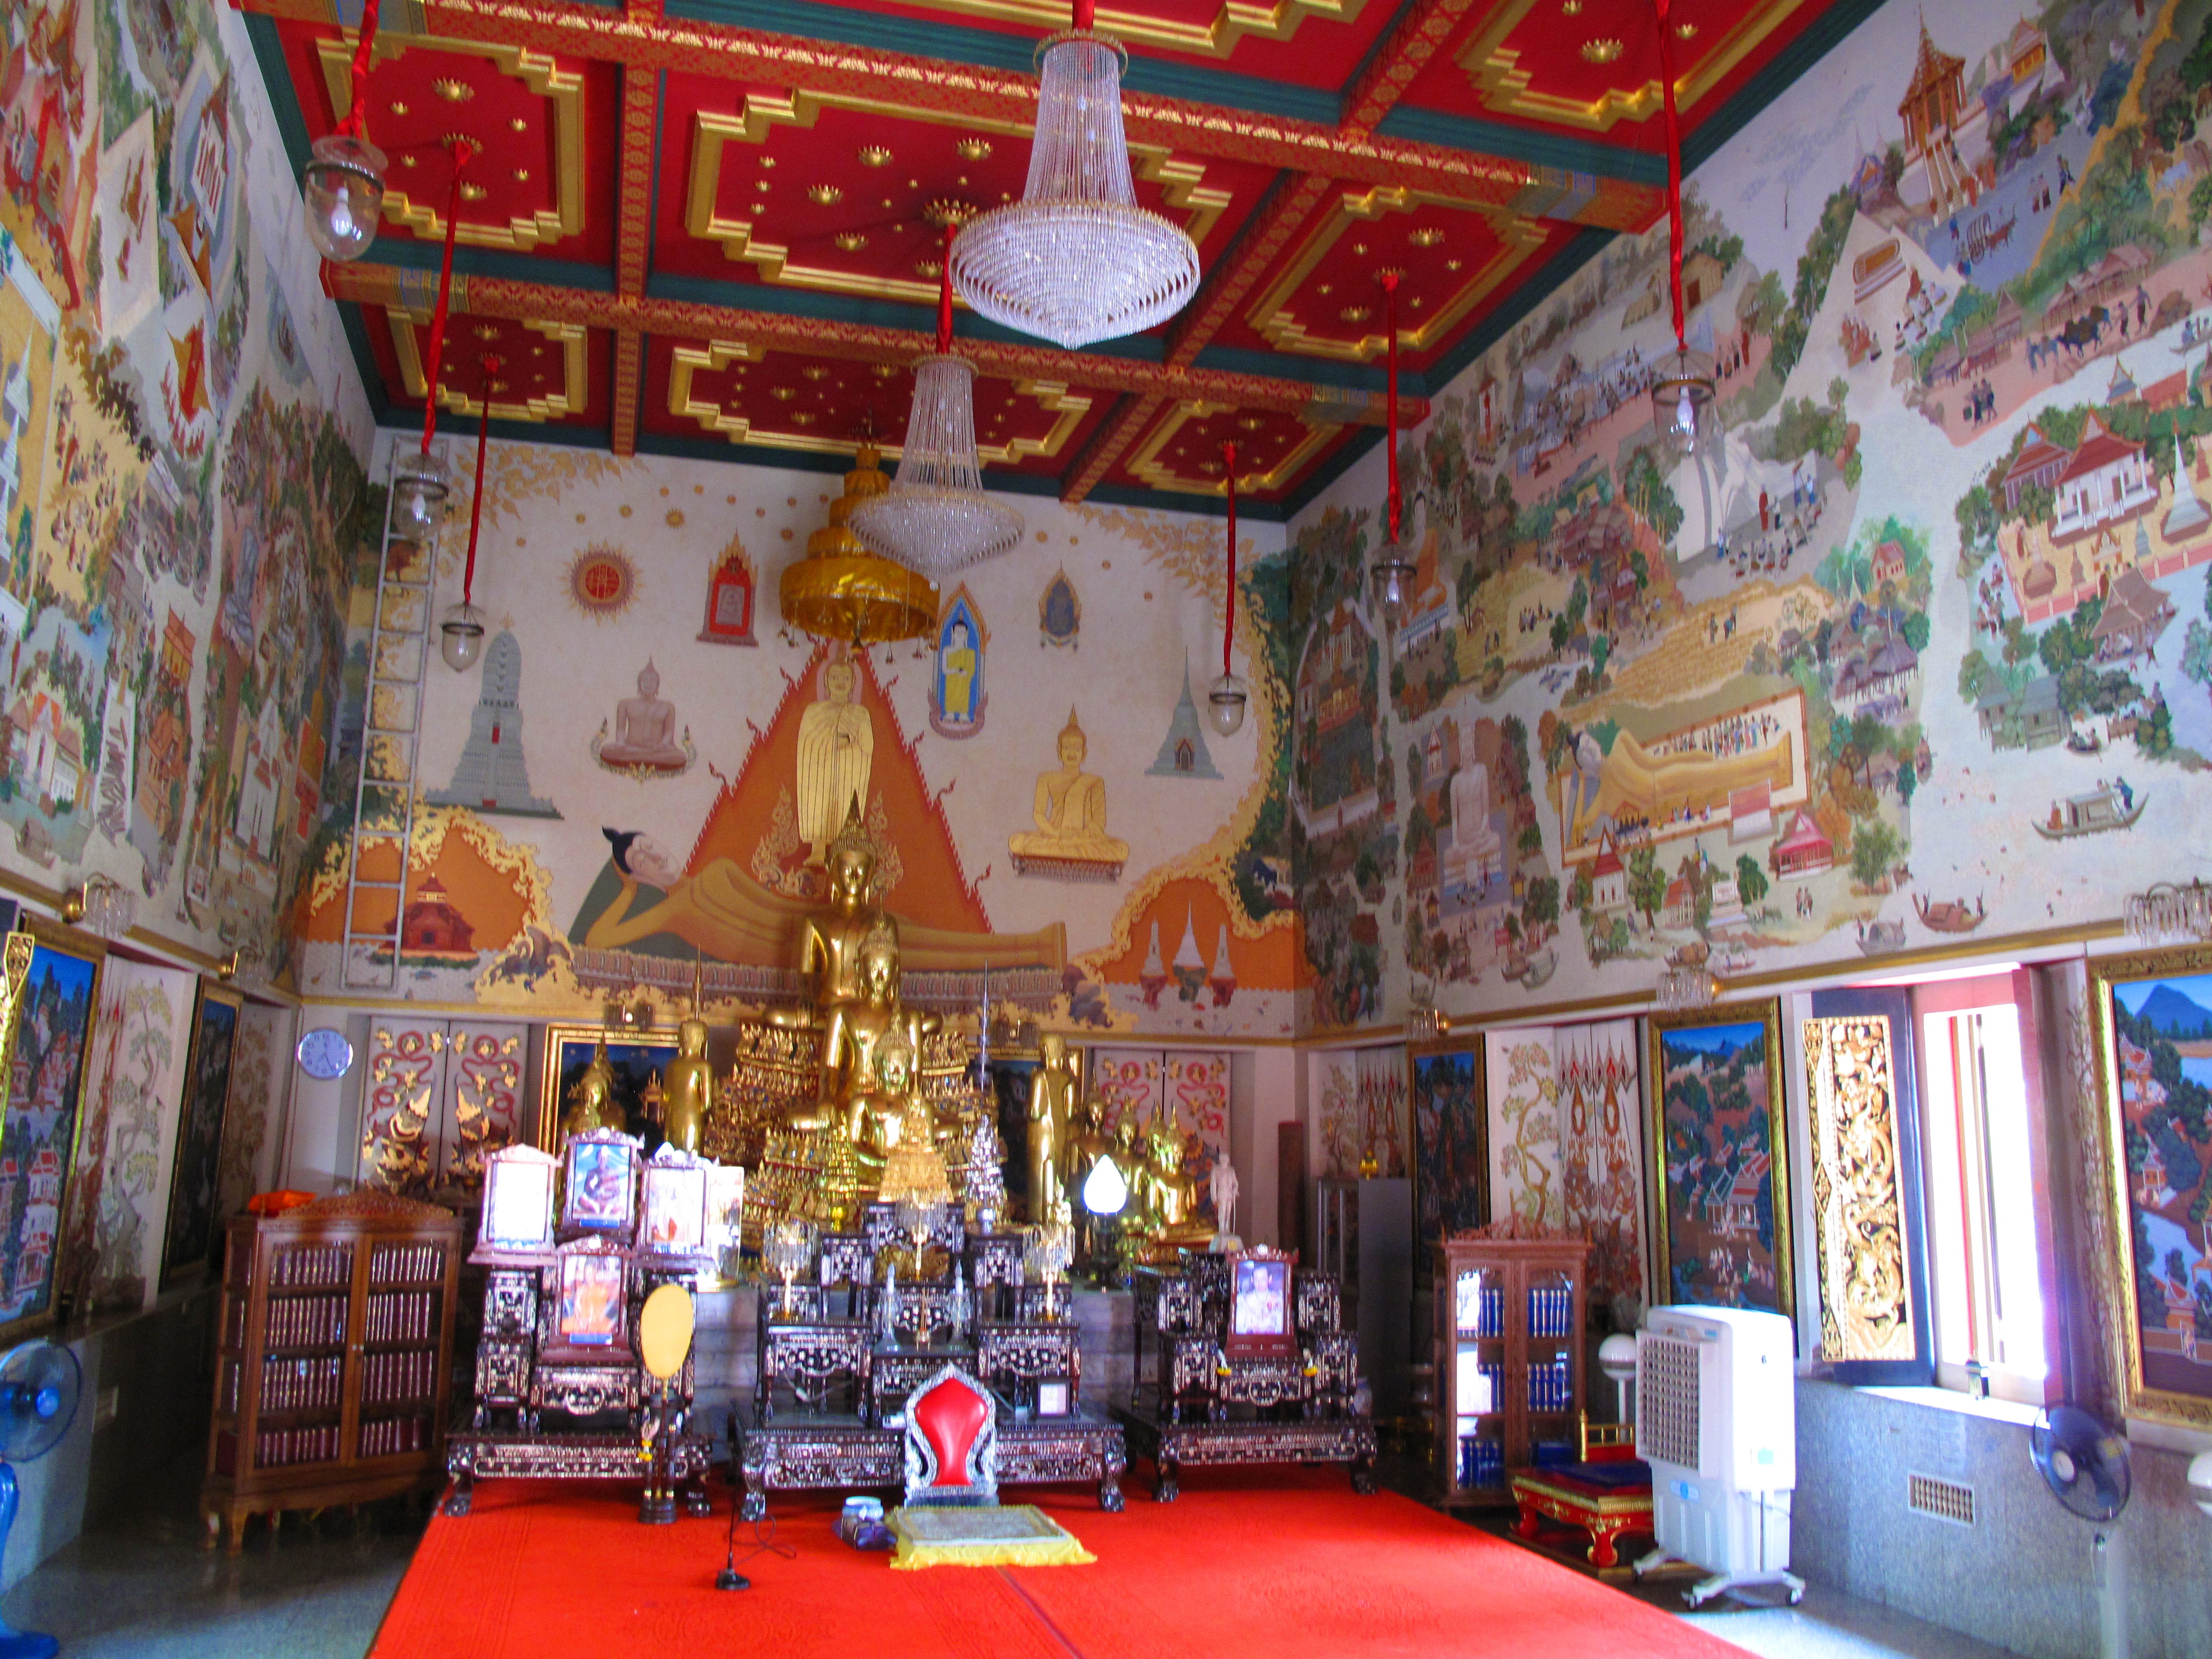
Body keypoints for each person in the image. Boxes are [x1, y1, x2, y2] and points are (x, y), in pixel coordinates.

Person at [1009, 710, 1128, 869]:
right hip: (1053, 834)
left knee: (1120, 849)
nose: (1071, 753)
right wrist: (1055, 834)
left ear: (1084, 753)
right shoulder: (1046, 778)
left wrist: (1086, 833)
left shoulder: (1094, 782)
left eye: (1077, 749)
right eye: (1067, 748)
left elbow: (1099, 820)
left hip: (1083, 838)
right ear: (1059, 751)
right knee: (1017, 842)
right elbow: (1038, 814)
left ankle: (1066, 853)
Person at [795, 655, 873, 864]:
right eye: (835, 677)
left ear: (853, 683)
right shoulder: (814, 711)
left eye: (846, 678)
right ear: (826, 681)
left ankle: (842, 850)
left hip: (849, 768)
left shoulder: (860, 713)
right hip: (820, 767)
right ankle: (818, 849)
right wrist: (828, 742)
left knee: (846, 802)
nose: (840, 682)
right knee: (818, 801)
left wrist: (851, 740)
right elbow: (806, 743)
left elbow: (867, 745)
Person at [595, 661, 689, 772]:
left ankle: (647, 756)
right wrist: (620, 742)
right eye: (644, 681)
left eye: (652, 681)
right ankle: (641, 756)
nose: (648, 684)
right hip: (630, 748)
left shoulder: (667, 707)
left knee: (679, 757)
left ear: (657, 685)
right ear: (639, 684)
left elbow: (669, 731)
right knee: (607, 751)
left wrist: (663, 744)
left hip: (657, 751)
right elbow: (620, 729)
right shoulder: (626, 704)